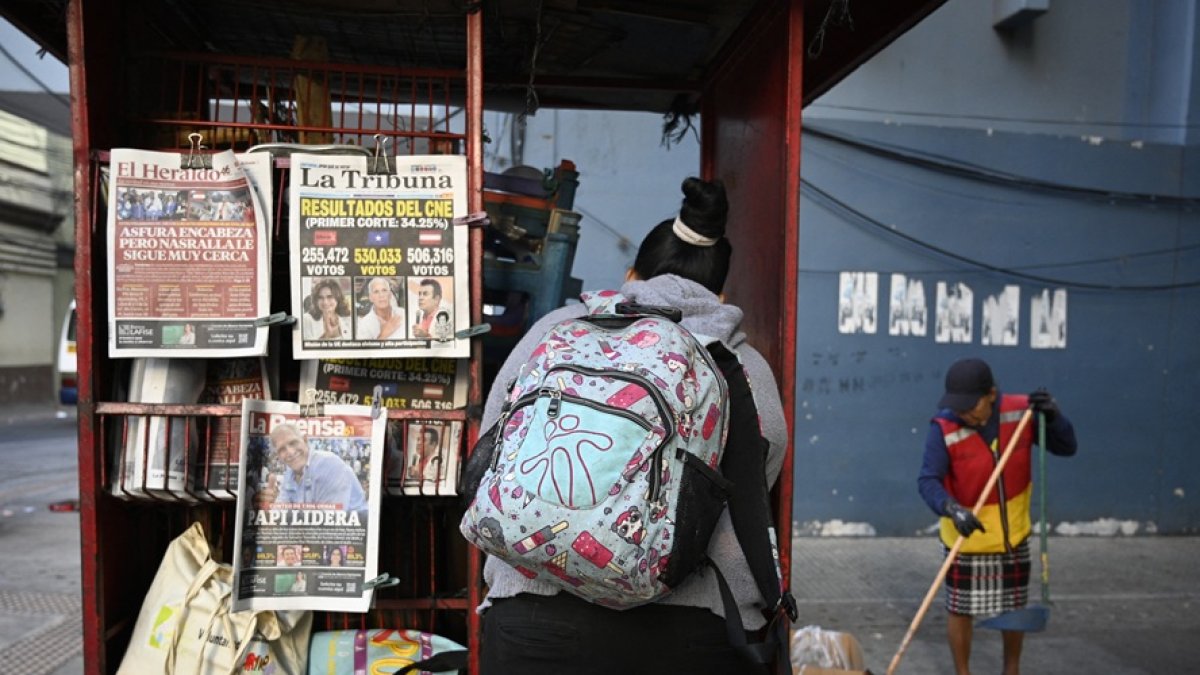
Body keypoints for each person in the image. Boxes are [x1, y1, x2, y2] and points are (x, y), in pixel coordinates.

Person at [477, 177, 789, 674]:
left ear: (631, 275)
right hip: (689, 634)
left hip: (535, 618)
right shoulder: (744, 369)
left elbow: (491, 442)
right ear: (720, 293)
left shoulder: (556, 331)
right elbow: (757, 481)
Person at [917, 357, 1077, 675]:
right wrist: (952, 509)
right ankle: (963, 672)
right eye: (956, 405)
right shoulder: (944, 427)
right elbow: (927, 481)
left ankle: (1011, 670)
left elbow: (1067, 446)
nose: (962, 412)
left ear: (991, 394)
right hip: (967, 538)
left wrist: (1054, 416)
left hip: (1012, 537)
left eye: (969, 404)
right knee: (960, 611)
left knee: (1013, 609)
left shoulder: (1021, 412)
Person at [254, 422, 368, 512]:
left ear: (305, 440)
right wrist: (269, 508)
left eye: (293, 443)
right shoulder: (290, 473)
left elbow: (329, 525)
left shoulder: (328, 464)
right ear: (278, 455)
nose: (290, 452)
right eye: (282, 449)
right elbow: (281, 511)